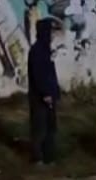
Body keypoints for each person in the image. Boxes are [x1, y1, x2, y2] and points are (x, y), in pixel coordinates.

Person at [28, 18, 60, 165]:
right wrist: (46, 93)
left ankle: (49, 156)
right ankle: (38, 158)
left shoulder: (46, 49)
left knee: (50, 127)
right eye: (51, 31)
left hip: (49, 95)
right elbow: (39, 74)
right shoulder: (37, 50)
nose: (53, 34)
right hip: (40, 97)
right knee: (40, 127)